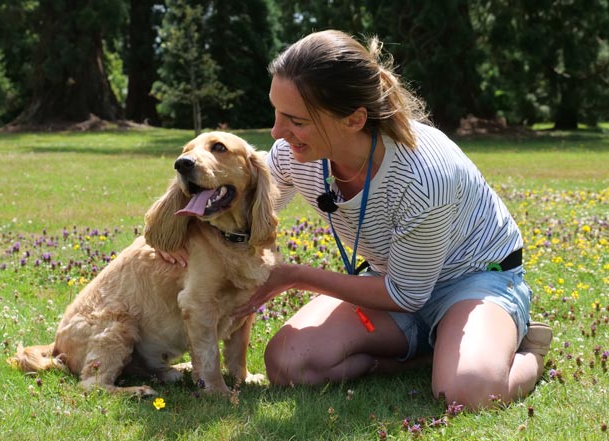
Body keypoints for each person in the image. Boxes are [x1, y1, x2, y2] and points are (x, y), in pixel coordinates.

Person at [163, 29, 552, 410]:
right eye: (277, 113)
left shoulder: (425, 176)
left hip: (472, 281)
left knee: (467, 392)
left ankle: (528, 351)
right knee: (289, 364)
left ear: (353, 120)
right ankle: (429, 356)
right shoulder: (294, 155)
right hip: (387, 280)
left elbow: (406, 295)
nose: (277, 132)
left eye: (296, 120)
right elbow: (240, 204)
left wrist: (295, 275)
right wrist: (174, 236)